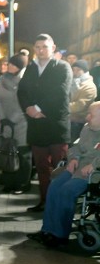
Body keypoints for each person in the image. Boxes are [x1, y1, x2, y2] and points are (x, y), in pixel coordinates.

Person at [27, 101, 100, 248]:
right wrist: (73, 158)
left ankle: (60, 235)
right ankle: (47, 230)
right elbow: (77, 147)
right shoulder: (87, 129)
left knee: (66, 191)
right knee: (54, 187)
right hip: (77, 168)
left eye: (91, 114)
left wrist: (93, 164)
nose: (87, 117)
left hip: (93, 175)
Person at [18, 33, 73, 212]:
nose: (41, 50)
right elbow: (22, 91)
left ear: (53, 48)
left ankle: (60, 205)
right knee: (42, 168)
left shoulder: (62, 67)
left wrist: (39, 109)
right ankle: (44, 201)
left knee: (60, 168)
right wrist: (28, 108)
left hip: (56, 126)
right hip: (36, 126)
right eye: (38, 47)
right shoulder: (31, 68)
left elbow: (61, 93)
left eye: (44, 47)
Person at [0, 53, 32, 194]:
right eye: (9, 63)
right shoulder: (3, 78)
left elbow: (26, 102)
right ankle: (8, 182)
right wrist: (2, 117)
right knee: (6, 151)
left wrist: (14, 118)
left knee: (22, 154)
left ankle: (22, 183)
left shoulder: (26, 80)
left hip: (22, 123)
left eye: (13, 64)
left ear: (20, 67)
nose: (9, 66)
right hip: (5, 123)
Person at [69, 59, 97, 144]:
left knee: (72, 144)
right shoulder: (73, 82)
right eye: (73, 69)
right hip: (69, 119)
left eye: (78, 70)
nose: (75, 72)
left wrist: (62, 106)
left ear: (84, 71)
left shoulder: (89, 86)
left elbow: (80, 105)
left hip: (78, 121)